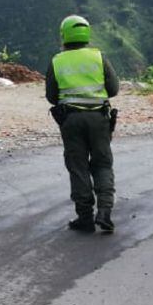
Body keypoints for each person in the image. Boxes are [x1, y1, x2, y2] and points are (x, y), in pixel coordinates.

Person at [45, 15, 120, 233]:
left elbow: (51, 96)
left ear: (64, 35)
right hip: (99, 118)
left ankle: (85, 217)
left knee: (78, 166)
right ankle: (105, 212)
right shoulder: (99, 57)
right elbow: (113, 89)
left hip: (71, 120)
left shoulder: (57, 61)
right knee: (103, 164)